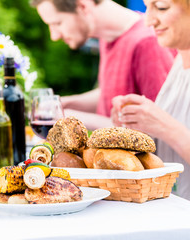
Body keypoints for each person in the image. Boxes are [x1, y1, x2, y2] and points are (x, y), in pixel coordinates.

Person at [31, 0, 176, 130]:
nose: (54, 36)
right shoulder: (107, 38)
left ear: (83, 5)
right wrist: (66, 104)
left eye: (57, 23)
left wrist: (71, 118)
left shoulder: (147, 43)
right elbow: (112, 93)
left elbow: (160, 126)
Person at [111, 0, 190, 200]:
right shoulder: (180, 61)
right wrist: (137, 126)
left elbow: (174, 130)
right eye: (147, 7)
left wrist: (165, 126)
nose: (148, 21)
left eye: (162, 7)